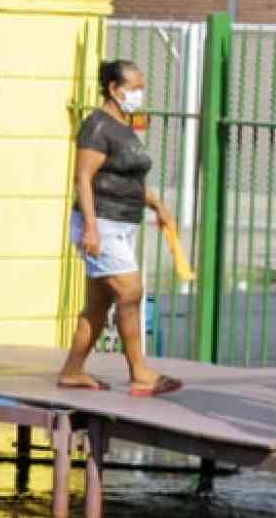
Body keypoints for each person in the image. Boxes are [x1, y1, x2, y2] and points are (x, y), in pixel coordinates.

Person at [56, 59, 183, 398]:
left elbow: (131, 179)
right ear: (114, 88)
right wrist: (92, 229)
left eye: (141, 87)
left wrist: (158, 207)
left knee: (99, 304)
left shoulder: (123, 126)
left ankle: (72, 371)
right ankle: (140, 373)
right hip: (102, 223)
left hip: (124, 222)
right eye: (134, 88)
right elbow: (84, 177)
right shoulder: (96, 126)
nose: (139, 94)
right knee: (130, 291)